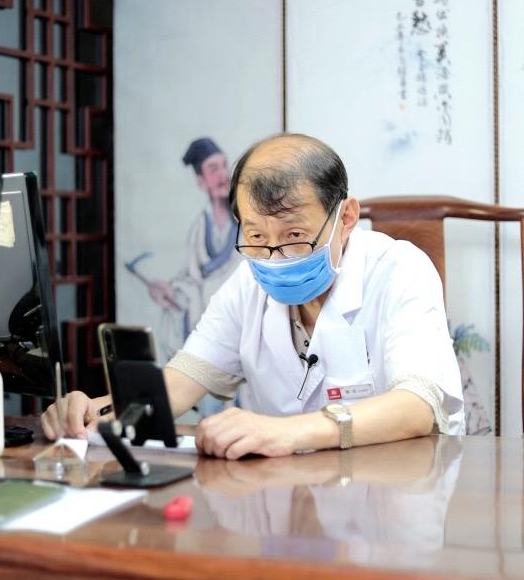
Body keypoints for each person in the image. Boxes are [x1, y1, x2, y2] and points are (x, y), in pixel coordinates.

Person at [42, 132, 464, 457]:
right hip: (285, 491)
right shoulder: (247, 284)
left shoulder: (399, 270)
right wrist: (94, 411)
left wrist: (290, 431)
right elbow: (181, 383)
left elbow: (417, 406)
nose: (275, 256)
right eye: (257, 236)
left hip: (394, 488)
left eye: (295, 235)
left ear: (347, 217)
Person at [143, 137, 240, 359]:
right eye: (213, 169)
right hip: (208, 329)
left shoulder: (246, 222)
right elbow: (190, 280)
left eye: (224, 166)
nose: (223, 175)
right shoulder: (199, 227)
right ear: (201, 181)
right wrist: (168, 291)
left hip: (238, 329)